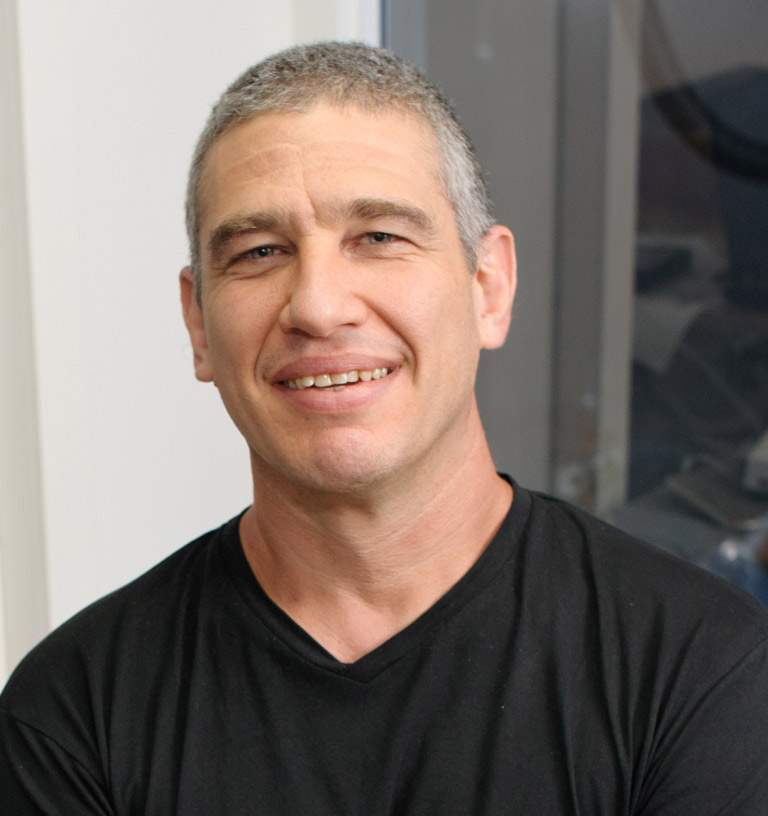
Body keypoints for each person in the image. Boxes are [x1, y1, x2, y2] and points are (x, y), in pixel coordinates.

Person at [2, 41, 768, 815]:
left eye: (378, 237)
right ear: (199, 324)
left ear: (489, 287)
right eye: (261, 252)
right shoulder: (74, 714)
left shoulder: (700, 670)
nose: (317, 306)